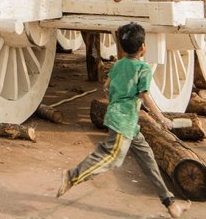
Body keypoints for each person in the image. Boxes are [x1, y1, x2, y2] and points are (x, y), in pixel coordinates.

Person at [57, 22, 190, 217]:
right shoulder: (143, 68)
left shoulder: (119, 64)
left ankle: (170, 202)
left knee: (148, 159)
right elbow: (145, 96)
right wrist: (162, 119)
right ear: (143, 47)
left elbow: (106, 86)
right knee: (112, 157)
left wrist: (117, 101)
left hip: (125, 121)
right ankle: (72, 176)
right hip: (124, 121)